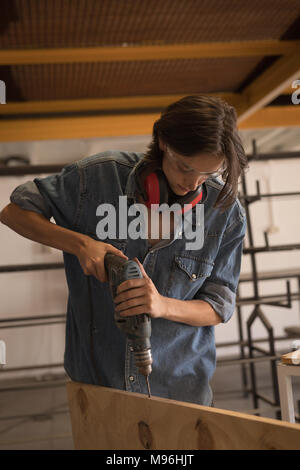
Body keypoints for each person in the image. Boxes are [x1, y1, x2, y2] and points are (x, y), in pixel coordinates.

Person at [0, 95, 248, 406]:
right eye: (185, 167)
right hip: (97, 388)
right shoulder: (96, 179)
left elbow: (218, 306)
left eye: (207, 174)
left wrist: (161, 305)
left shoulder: (224, 212)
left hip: (181, 392)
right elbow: (13, 212)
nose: (193, 183)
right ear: (162, 142)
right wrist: (80, 244)